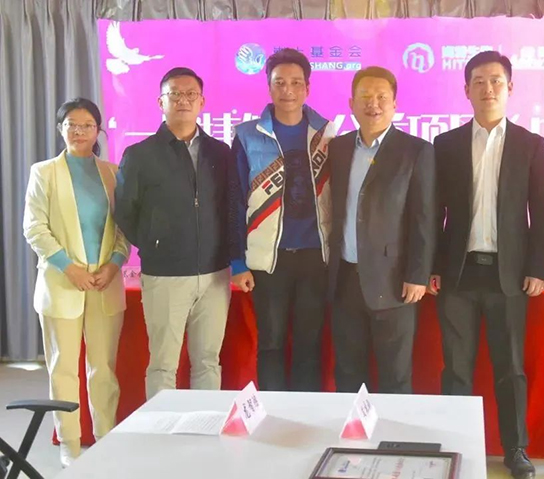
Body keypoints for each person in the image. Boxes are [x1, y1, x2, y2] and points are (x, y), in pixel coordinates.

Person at [430, 51, 544, 479]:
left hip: (510, 274)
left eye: (496, 81)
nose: (488, 89)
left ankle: (515, 449)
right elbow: (434, 211)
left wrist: (538, 266)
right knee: (456, 369)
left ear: (510, 88)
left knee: (510, 368)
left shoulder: (530, 145)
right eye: (479, 81)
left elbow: (541, 209)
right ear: (466, 90)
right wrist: (432, 265)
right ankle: (457, 442)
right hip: (458, 272)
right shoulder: (446, 145)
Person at [114, 67, 241, 400]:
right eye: (175, 94)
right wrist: (157, 244)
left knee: (207, 362)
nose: (183, 100)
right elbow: (125, 211)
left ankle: (206, 427)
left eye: (190, 94)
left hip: (214, 274)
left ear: (202, 102)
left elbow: (231, 207)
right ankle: (163, 430)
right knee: (163, 365)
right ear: (161, 102)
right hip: (165, 275)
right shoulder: (140, 155)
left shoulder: (220, 152)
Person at [23, 98, 129, 467]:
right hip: (62, 283)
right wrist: (70, 268)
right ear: (61, 129)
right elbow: (34, 228)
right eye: (72, 124)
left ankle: (105, 437)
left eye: (87, 125)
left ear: (99, 131)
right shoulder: (44, 173)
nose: (79, 131)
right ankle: (70, 445)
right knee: (63, 368)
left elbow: (124, 230)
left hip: (105, 284)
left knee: (104, 368)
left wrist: (114, 265)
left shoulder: (113, 173)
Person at [230, 48, 335, 391]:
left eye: (295, 83)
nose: (287, 90)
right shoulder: (247, 136)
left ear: (307, 88)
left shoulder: (327, 135)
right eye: (279, 83)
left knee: (309, 345)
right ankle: (273, 415)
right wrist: (237, 262)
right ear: (269, 87)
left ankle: (306, 416)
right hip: (267, 261)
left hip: (315, 258)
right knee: (271, 344)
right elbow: (234, 202)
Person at [327, 66, 436, 394]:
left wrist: (418, 274)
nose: (372, 104)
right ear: (351, 103)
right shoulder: (337, 148)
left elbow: (424, 217)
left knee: (395, 375)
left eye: (381, 97)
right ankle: (352, 428)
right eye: (364, 97)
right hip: (345, 278)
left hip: (394, 281)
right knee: (348, 372)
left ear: (394, 104)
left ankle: (393, 430)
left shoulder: (416, 150)